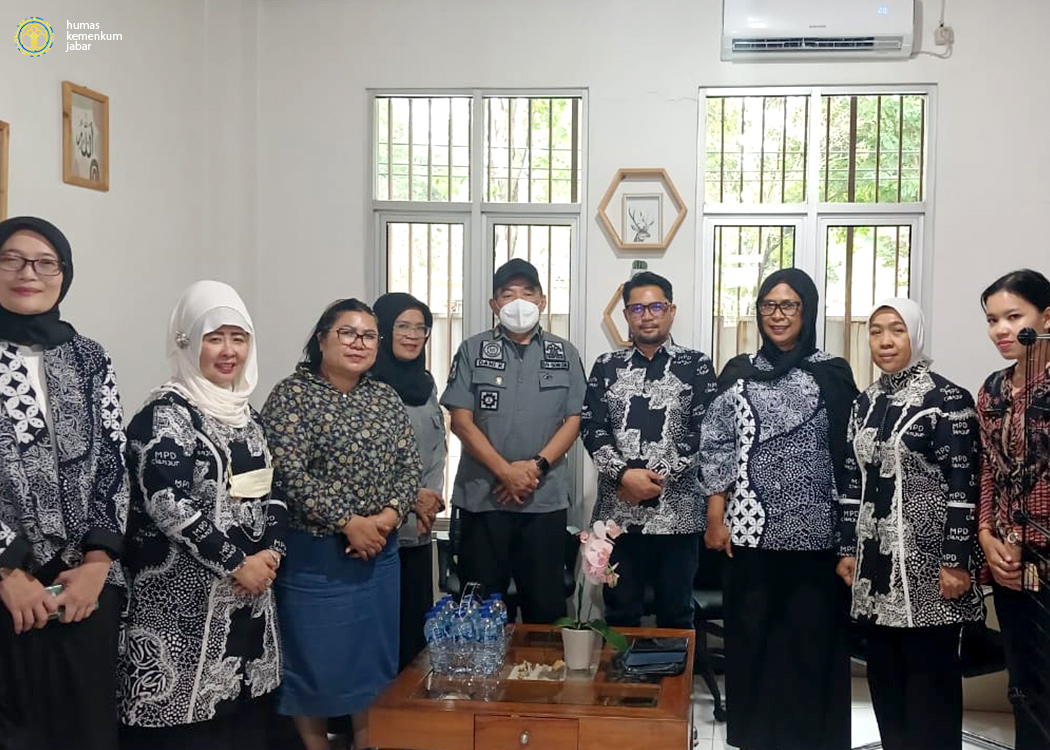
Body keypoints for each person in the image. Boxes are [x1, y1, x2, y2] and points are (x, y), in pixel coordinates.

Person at [119, 280, 286, 750]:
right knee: (187, 732)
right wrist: (237, 563)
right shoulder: (165, 414)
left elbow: (273, 491)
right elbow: (167, 502)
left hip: (249, 602)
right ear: (188, 342)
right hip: (181, 610)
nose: (229, 351)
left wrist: (271, 555)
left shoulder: (248, 416)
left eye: (239, 338)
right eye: (214, 338)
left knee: (243, 728)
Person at [700, 268, 856, 750]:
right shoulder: (738, 371)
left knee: (811, 646)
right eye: (769, 305)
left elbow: (850, 455)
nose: (778, 315)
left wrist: (849, 536)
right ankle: (755, 738)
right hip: (749, 536)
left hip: (817, 538)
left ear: (807, 311)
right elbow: (716, 446)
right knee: (753, 643)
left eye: (789, 305)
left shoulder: (832, 372)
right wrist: (715, 517)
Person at [262, 298, 420, 750]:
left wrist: (386, 519)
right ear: (321, 339)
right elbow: (287, 472)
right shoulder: (292, 395)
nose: (359, 343)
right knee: (314, 659)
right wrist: (348, 522)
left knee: (372, 659)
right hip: (317, 555)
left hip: (379, 553)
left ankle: (366, 742)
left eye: (368, 336)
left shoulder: (384, 397)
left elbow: (409, 467)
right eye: (347, 333)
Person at [0, 217, 128, 750]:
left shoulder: (89, 357)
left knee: (87, 731)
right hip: (7, 590)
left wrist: (97, 564)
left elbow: (113, 461)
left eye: (45, 262)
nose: (28, 273)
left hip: (84, 588)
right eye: (11, 259)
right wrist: (8, 569)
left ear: (64, 273)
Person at [836, 298, 982, 750]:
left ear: (915, 335)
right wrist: (847, 549)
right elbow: (851, 480)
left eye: (896, 330)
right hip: (877, 569)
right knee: (886, 681)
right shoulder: (865, 402)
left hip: (929, 568)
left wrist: (955, 561)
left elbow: (964, 483)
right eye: (876, 330)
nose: (885, 340)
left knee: (929, 686)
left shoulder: (947, 400)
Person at [441, 258, 585, 624]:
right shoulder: (472, 350)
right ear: (494, 304)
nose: (518, 302)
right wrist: (505, 472)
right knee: (480, 611)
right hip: (482, 500)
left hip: (543, 501)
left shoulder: (565, 353)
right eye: (508, 294)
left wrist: (534, 468)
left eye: (528, 293)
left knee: (546, 610)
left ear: (542, 301)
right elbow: (461, 421)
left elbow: (574, 420)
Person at [580, 271, 717, 628]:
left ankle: (674, 669)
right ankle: (621, 670)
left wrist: (653, 479)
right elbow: (591, 427)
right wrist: (624, 475)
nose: (647, 316)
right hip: (618, 519)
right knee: (620, 613)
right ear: (626, 315)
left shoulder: (696, 365)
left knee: (677, 615)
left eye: (656, 306)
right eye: (637, 308)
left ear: (671, 311)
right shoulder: (606, 366)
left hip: (677, 517)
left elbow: (704, 430)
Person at [976, 269, 1050, 750]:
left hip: (1045, 553)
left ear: (1046, 318)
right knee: (1024, 686)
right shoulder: (993, 390)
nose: (1001, 330)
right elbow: (986, 470)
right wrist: (986, 535)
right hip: (1007, 561)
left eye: (1013, 317)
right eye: (992, 320)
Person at [371, 292, 446, 670]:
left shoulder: (426, 385)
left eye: (421, 328)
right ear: (383, 330)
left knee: (414, 629)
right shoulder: (365, 385)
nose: (413, 335)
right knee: (380, 631)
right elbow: (367, 458)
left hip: (419, 530)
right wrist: (411, 496)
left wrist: (431, 498)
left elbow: (436, 447)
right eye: (403, 326)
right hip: (378, 531)